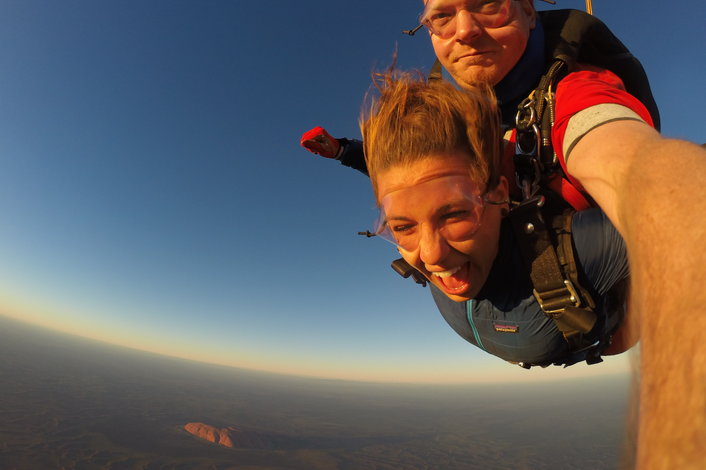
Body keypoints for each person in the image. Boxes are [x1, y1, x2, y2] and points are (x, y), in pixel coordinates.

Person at [301, 1, 706, 467]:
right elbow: (411, 177)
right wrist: (345, 152)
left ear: (531, 11)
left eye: (489, 5)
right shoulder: (451, 123)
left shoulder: (577, 101)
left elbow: (646, 178)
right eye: (442, 15)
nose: (466, 31)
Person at [361, 70, 630, 369]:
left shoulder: (571, 253)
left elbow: (681, 208)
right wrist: (343, 152)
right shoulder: (449, 256)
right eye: (402, 227)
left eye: (454, 215)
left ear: (500, 196)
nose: (431, 255)